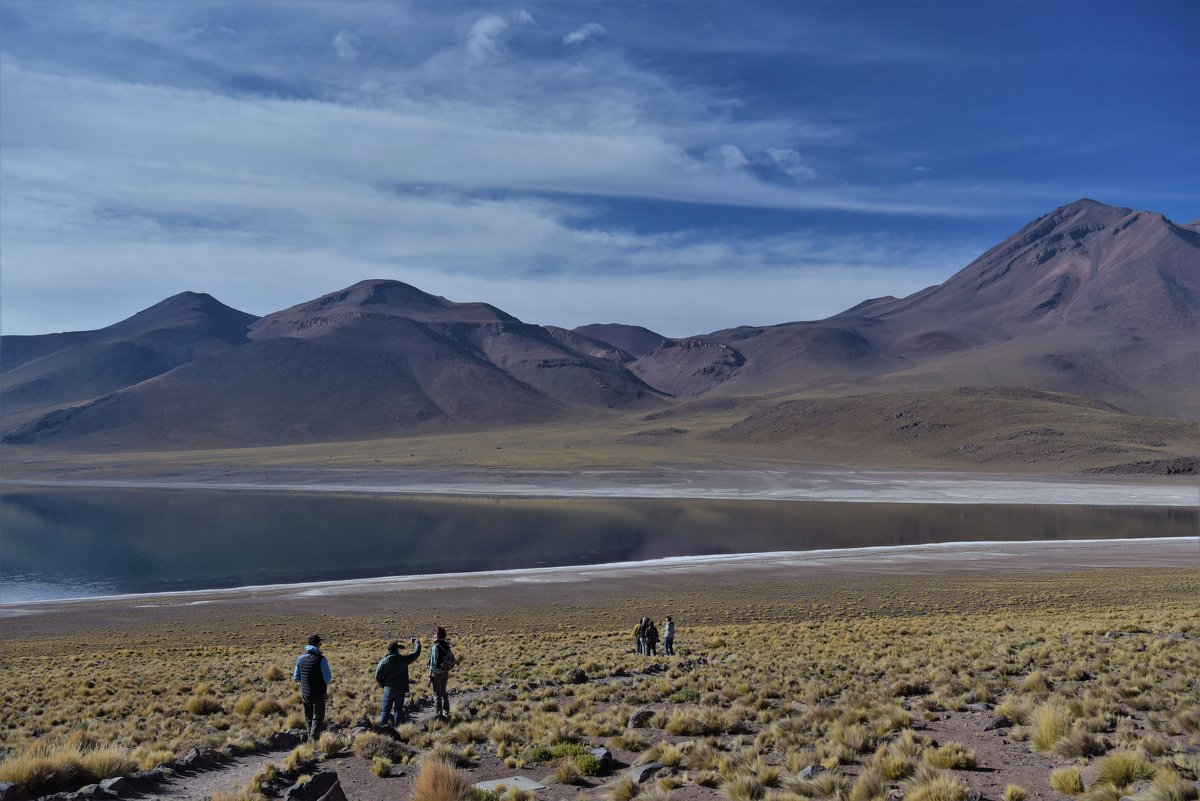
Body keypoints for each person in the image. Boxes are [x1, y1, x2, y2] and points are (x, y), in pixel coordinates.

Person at [293, 634, 331, 742]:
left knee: (308, 716)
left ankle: (310, 738)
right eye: (320, 642)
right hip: (318, 693)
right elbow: (327, 679)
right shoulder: (321, 659)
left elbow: (296, 677)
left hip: (305, 693)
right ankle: (312, 741)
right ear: (317, 644)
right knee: (318, 717)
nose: (321, 644)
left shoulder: (300, 658)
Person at [375, 637, 421, 727]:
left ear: (389, 650)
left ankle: (383, 729)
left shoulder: (383, 662)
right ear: (397, 650)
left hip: (388, 690)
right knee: (398, 710)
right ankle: (397, 730)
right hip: (400, 690)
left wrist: (383, 685)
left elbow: (377, 675)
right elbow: (416, 654)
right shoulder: (404, 660)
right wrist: (417, 643)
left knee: (385, 710)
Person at [428, 626, 456, 722]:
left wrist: (430, 676)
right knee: (444, 693)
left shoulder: (435, 647)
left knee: (437, 694)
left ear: (436, 635)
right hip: (445, 672)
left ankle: (439, 715)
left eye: (434, 634)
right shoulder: (446, 645)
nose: (433, 636)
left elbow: (433, 663)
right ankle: (446, 713)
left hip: (437, 673)